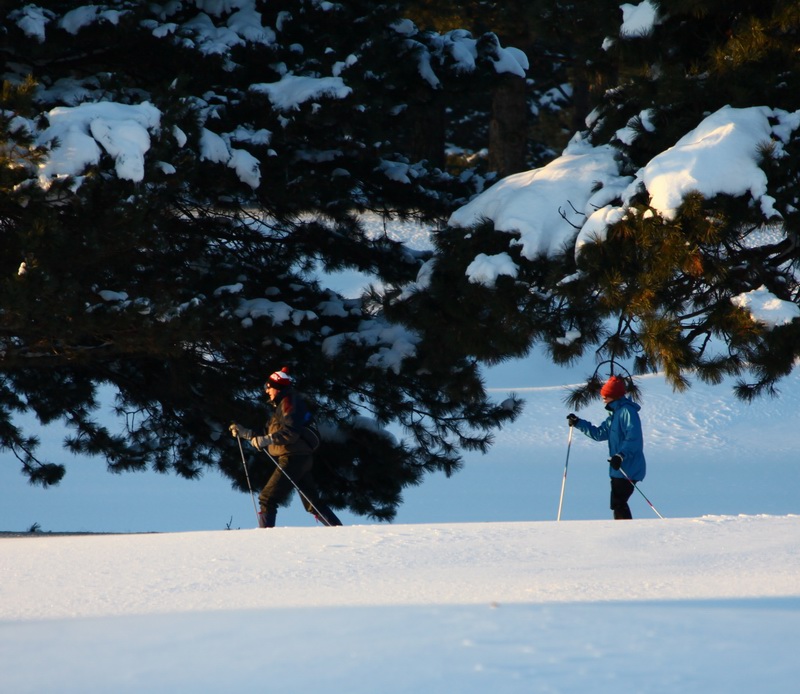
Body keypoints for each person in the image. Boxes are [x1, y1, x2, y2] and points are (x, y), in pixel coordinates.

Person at [230, 367, 342, 528]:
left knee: (267, 498)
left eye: (268, 387)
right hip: (300, 457)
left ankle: (265, 536)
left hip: (292, 457)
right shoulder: (285, 405)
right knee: (312, 502)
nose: (266, 391)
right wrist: (246, 433)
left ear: (276, 387)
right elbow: (270, 432)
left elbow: (290, 433)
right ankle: (338, 530)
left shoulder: (288, 403)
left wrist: (266, 440)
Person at [566, 375, 646, 520]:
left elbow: (634, 438)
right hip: (618, 468)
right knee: (617, 503)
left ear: (614, 396)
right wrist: (578, 423)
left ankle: (624, 534)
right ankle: (622, 531)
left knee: (618, 503)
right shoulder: (615, 415)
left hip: (628, 466)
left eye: (606, 395)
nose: (603, 398)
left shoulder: (627, 412)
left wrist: (620, 455)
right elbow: (599, 433)